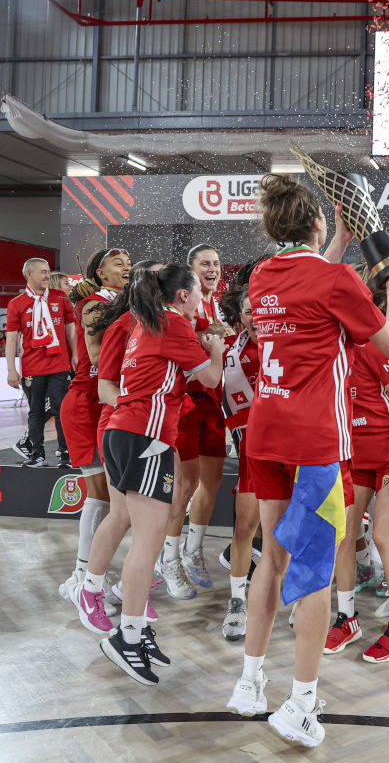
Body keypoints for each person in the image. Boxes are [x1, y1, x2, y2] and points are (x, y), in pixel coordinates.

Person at [225, 174, 389, 748]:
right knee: (314, 575)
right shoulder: (336, 279)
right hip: (316, 446)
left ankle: (249, 684)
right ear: (315, 222)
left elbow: (314, 281)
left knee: (271, 562)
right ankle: (301, 704)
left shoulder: (263, 275)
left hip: (265, 436)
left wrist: (339, 242)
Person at [91, 264, 225, 685]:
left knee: (137, 535)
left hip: (127, 433)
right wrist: (216, 350)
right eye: (198, 293)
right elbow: (211, 378)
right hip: (145, 437)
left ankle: (131, 624)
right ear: (183, 294)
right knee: (146, 545)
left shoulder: (152, 321)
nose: (203, 299)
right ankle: (126, 636)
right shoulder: (172, 321)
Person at [325, 328, 389, 663]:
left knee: (382, 534)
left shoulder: (369, 348)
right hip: (355, 456)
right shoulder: (327, 354)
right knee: (343, 535)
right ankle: (347, 618)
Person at [156, 243, 230, 599]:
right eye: (205, 264)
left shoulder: (217, 302)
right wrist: (210, 335)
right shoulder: (180, 307)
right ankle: (168, 559)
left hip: (213, 403)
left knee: (211, 482)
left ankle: (193, 550)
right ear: (191, 271)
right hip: (184, 404)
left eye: (216, 263)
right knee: (183, 488)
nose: (212, 268)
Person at [58, 249, 132, 600]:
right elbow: (100, 358)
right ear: (101, 273)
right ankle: (81, 576)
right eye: (119, 262)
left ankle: (91, 572)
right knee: (100, 495)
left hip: (103, 403)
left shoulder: (120, 302)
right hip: (86, 403)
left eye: (130, 261)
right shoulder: (95, 306)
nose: (127, 266)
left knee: (111, 498)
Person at [218, 283, 261, 641]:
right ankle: (236, 601)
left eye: (261, 309)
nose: (255, 317)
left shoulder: (291, 344)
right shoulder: (232, 350)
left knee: (292, 528)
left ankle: (294, 597)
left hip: (293, 449)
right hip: (253, 450)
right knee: (244, 526)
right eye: (248, 311)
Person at [5, 258, 77, 468]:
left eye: (48, 272)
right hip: (32, 368)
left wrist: (75, 354)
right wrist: (11, 370)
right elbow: (11, 340)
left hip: (60, 366)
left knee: (61, 410)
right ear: (29, 274)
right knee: (36, 412)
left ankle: (65, 454)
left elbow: (70, 327)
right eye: (43, 272)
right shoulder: (16, 304)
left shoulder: (59, 297)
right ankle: (37, 455)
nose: (47, 276)